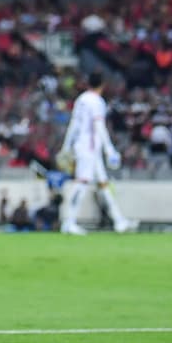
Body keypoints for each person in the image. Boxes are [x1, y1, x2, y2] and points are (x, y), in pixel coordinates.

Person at [58, 72, 137, 235]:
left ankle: (119, 221)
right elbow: (99, 125)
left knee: (103, 183)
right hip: (90, 147)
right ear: (102, 85)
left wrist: (66, 146)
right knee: (82, 182)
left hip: (83, 145)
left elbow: (74, 124)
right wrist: (110, 149)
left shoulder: (81, 99)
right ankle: (69, 222)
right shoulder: (97, 101)